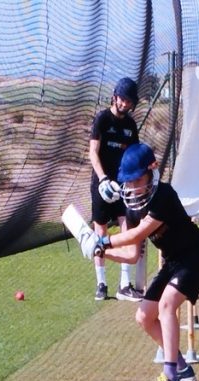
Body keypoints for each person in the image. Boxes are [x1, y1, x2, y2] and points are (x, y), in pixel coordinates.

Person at [71, 143, 199, 381]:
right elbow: (132, 254)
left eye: (137, 180)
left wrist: (102, 241)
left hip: (194, 257)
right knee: (144, 317)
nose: (133, 187)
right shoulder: (132, 206)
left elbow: (138, 234)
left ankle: (171, 379)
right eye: (128, 181)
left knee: (167, 305)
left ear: (152, 171)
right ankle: (181, 367)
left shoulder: (164, 196)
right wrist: (100, 252)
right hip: (173, 262)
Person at [88, 77, 147, 302]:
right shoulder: (102, 119)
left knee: (127, 231)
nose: (124, 104)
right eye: (122, 99)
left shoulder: (130, 125)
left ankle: (124, 285)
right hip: (102, 186)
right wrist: (103, 179)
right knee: (101, 232)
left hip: (124, 187)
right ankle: (101, 283)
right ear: (115, 96)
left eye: (129, 101)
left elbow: (133, 155)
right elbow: (93, 152)